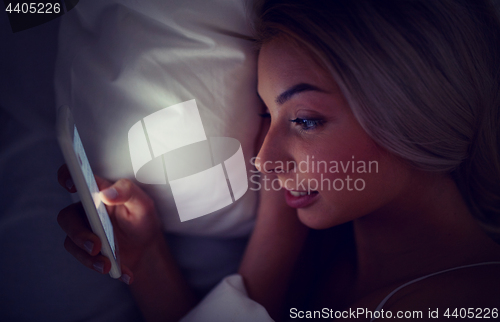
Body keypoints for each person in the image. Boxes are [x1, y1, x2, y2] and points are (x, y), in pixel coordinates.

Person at [58, 0, 500, 321]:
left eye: (305, 120)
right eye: (266, 114)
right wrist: (149, 253)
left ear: (412, 107)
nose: (263, 162)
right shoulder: (332, 264)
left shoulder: (469, 304)